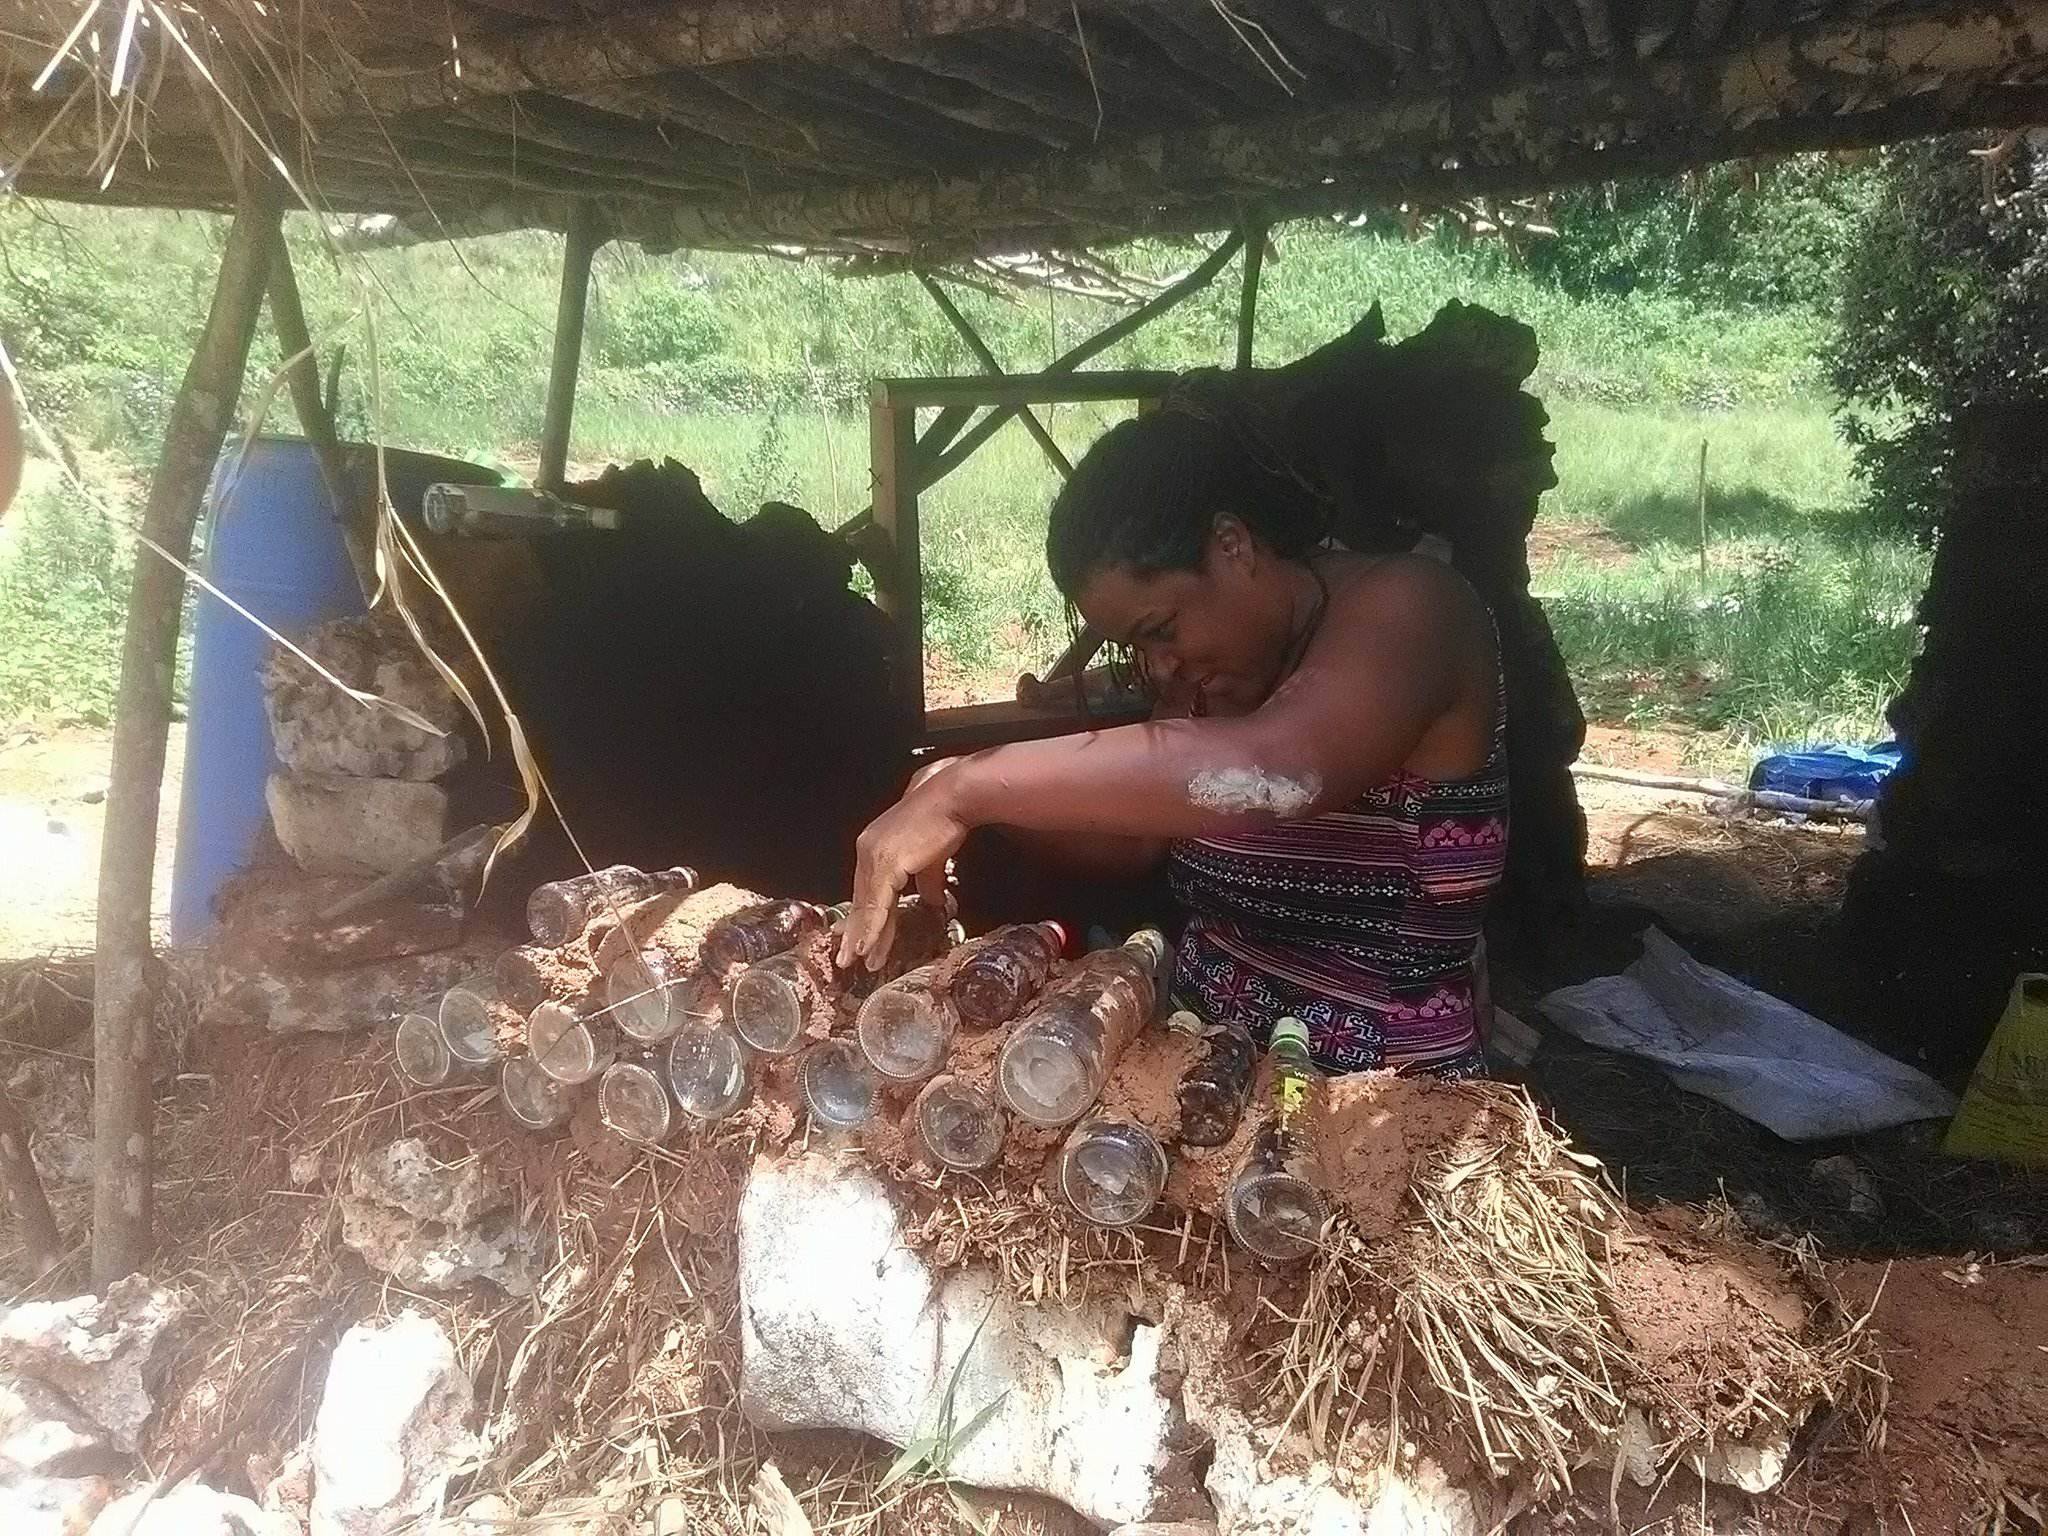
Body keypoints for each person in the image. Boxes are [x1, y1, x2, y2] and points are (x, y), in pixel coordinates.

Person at [838, 402, 1508, 1077]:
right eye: (1137, 646)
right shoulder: (1204, 681)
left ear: (1233, 545)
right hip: (1196, 1066)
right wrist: (983, 805)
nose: (1159, 666)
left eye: (1161, 629)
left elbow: (1277, 770)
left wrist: (968, 786)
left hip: (1377, 1096)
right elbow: (1133, 837)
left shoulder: (1414, 607)